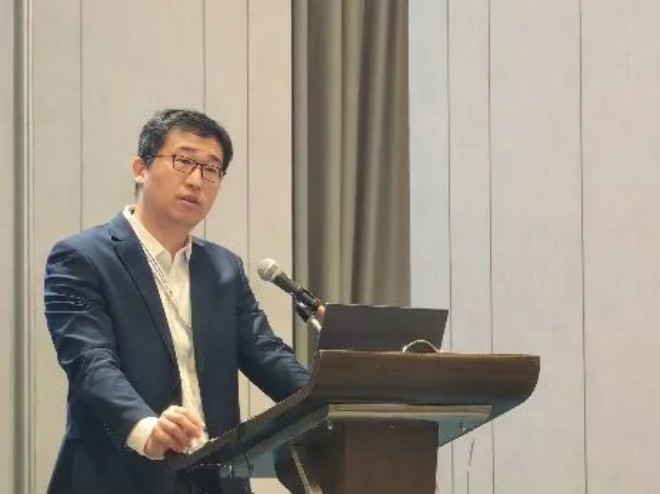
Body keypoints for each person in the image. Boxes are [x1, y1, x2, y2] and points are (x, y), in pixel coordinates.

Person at [44, 109, 311, 494]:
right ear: (140, 168)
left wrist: (332, 402)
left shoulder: (223, 268)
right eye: (183, 161)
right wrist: (145, 427)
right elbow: (90, 361)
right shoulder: (83, 258)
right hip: (118, 476)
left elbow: (265, 352)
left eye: (211, 169)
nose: (196, 180)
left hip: (213, 479)